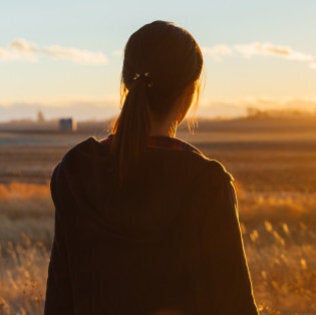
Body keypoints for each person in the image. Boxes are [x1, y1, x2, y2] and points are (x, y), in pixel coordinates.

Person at [44, 21, 259, 315]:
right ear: (189, 95)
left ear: (125, 85)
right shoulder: (206, 184)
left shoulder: (76, 171)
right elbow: (235, 306)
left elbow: (59, 300)